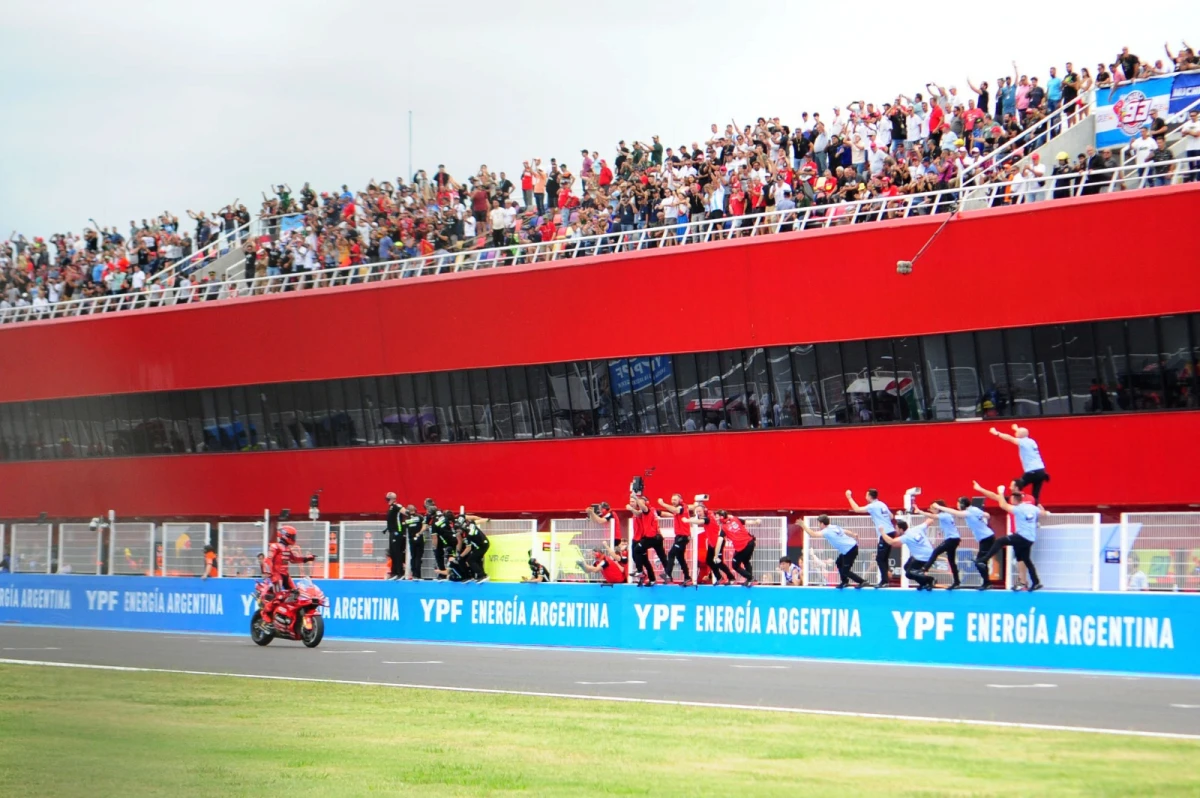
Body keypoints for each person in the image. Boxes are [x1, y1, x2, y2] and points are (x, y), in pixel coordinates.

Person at [973, 481, 1045, 592]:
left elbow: (1002, 504)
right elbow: (1041, 513)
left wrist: (1000, 492)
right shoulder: (1030, 506)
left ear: (1016, 488)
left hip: (1021, 536)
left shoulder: (1019, 507)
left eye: (1011, 485)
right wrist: (981, 489)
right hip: (1029, 537)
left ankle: (984, 559)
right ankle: (1035, 582)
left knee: (1001, 541)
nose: (1009, 486)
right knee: (1024, 559)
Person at [930, 497, 997, 589]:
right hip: (986, 537)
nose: (957, 506)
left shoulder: (968, 513)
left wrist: (939, 507)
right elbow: (987, 515)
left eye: (958, 504)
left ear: (962, 504)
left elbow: (956, 513)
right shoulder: (974, 509)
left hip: (987, 538)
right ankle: (986, 583)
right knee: (981, 561)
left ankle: (987, 583)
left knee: (980, 562)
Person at [262, 525, 315, 623]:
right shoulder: (275, 546)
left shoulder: (287, 549)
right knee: (279, 597)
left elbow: (293, 559)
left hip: (285, 575)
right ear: (285, 535)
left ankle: (286, 615)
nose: (294, 539)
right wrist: (271, 574)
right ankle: (265, 612)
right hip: (277, 575)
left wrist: (307, 559)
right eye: (292, 536)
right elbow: (268, 560)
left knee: (296, 594)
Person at [846, 488, 896, 588]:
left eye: (866, 495)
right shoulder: (882, 504)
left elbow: (857, 509)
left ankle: (884, 581)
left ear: (869, 496)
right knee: (884, 558)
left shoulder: (873, 506)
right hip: (891, 531)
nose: (865, 497)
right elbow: (891, 516)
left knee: (880, 558)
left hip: (884, 533)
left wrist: (849, 497)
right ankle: (886, 580)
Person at [799, 515, 866, 589]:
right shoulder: (834, 526)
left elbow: (813, 534)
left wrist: (803, 525)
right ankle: (845, 582)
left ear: (822, 524)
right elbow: (845, 531)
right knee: (839, 563)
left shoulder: (826, 531)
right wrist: (854, 534)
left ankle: (862, 581)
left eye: (819, 523)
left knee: (845, 571)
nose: (818, 525)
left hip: (850, 550)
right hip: (850, 548)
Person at [989, 424, 1050, 505]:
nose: (1015, 434)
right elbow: (1023, 433)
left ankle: (1012, 503)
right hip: (1041, 471)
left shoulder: (1023, 442)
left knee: (1015, 486)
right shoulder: (1031, 441)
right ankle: (1035, 510)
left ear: (1020, 435)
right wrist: (1016, 428)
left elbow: (1009, 438)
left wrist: (997, 433)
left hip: (1032, 471)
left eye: (1017, 433)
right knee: (1035, 495)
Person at [915, 502, 963, 589]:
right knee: (951, 561)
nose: (931, 510)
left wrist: (920, 511)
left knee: (936, 551)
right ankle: (957, 582)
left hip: (952, 539)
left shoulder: (944, 515)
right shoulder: (946, 515)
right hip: (953, 539)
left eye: (933, 508)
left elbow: (933, 516)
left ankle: (924, 569)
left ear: (938, 508)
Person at [879, 519, 936, 591]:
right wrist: (933, 515)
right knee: (906, 567)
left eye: (896, 529)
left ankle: (930, 580)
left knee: (908, 574)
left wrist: (882, 532)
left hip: (924, 558)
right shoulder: (917, 528)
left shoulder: (906, 537)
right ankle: (924, 583)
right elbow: (929, 521)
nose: (896, 530)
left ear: (901, 529)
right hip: (927, 554)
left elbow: (892, 542)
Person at [688, 501, 732, 584]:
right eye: (697, 512)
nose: (698, 513)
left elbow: (700, 521)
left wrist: (687, 520)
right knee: (709, 560)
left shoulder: (708, 518)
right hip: (711, 543)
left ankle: (731, 577)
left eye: (699, 511)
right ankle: (718, 577)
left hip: (717, 543)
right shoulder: (708, 515)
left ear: (704, 510)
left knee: (718, 562)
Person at [629, 490, 667, 585]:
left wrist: (634, 502)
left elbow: (640, 511)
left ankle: (643, 573)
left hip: (645, 538)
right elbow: (661, 513)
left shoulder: (644, 511)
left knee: (644, 558)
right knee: (638, 557)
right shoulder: (645, 510)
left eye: (633, 501)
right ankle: (646, 575)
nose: (631, 503)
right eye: (630, 501)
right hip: (639, 538)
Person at [657, 494, 693, 586]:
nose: (673, 501)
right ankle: (687, 577)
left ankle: (668, 574)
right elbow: (671, 513)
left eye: (675, 500)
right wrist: (659, 513)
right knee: (680, 558)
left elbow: (675, 510)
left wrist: (663, 504)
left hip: (683, 537)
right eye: (672, 500)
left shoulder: (682, 507)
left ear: (680, 500)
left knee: (671, 553)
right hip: (679, 537)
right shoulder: (679, 509)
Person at [716, 510, 759, 586]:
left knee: (735, 565)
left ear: (721, 517)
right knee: (746, 561)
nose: (715, 519)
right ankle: (750, 580)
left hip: (743, 546)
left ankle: (750, 578)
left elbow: (719, 542)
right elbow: (747, 522)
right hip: (751, 542)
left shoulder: (724, 528)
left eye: (716, 517)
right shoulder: (735, 519)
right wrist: (756, 521)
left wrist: (716, 556)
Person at [424, 500, 457, 579]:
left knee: (450, 557)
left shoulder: (434, 524)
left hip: (448, 542)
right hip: (453, 537)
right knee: (453, 556)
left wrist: (434, 547)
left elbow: (434, 538)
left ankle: (451, 574)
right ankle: (447, 573)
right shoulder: (443, 515)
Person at [458, 513, 490, 582]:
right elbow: (478, 521)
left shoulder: (467, 535)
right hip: (482, 543)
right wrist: (486, 520)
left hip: (482, 546)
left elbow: (468, 548)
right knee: (477, 558)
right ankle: (482, 575)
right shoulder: (471, 524)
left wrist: (460, 556)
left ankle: (482, 575)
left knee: (470, 560)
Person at [385, 491, 405, 581]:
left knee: (397, 553)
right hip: (392, 532)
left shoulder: (397, 506)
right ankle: (394, 572)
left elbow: (406, 512)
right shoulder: (391, 507)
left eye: (387, 498)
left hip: (397, 532)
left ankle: (399, 573)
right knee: (393, 553)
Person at [402, 504, 424, 579]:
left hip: (411, 539)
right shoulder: (420, 517)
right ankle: (418, 574)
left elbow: (404, 528)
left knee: (413, 557)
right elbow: (425, 525)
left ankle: (413, 573)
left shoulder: (406, 519)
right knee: (418, 557)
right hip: (419, 538)